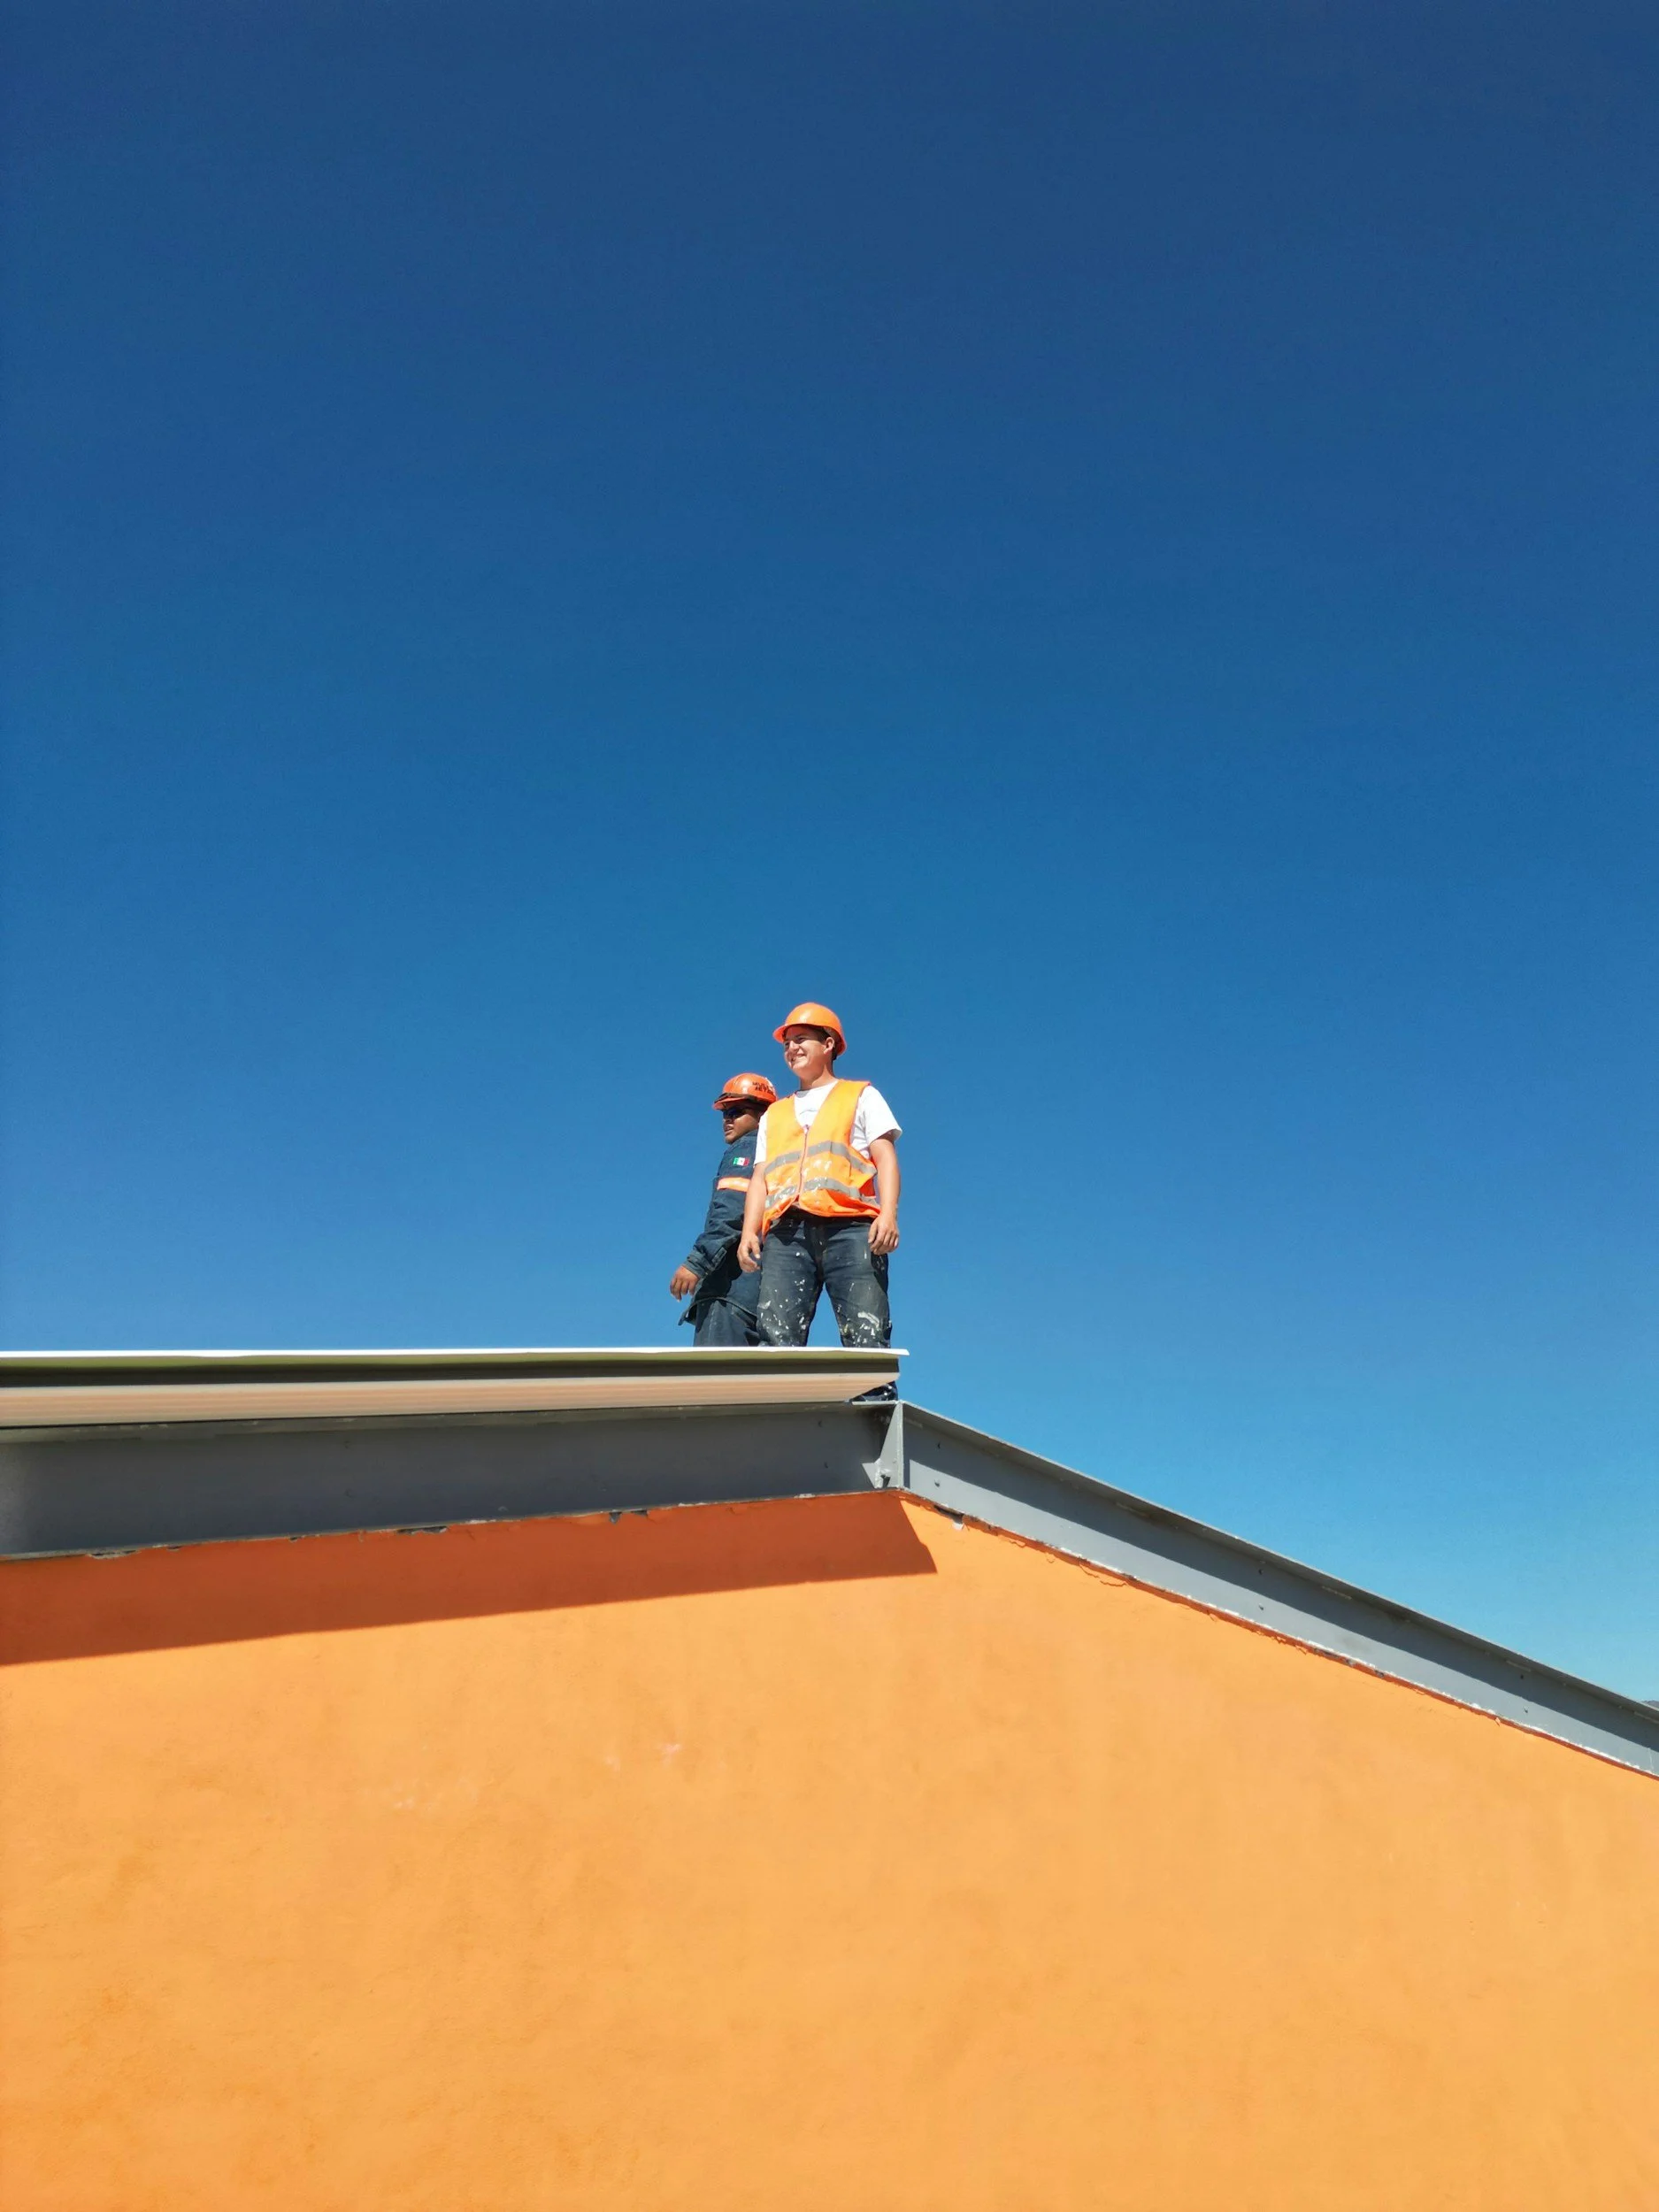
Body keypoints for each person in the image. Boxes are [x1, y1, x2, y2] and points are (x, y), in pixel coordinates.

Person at [737, 1002, 900, 1356]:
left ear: (828, 1045)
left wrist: (888, 1214)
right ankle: (783, 1408)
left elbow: (885, 1156)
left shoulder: (860, 1095)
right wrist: (751, 1230)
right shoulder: (775, 1114)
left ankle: (873, 1408)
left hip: (852, 1230)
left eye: (801, 1039)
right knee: (776, 1338)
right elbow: (761, 1176)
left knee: (866, 1334)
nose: (791, 1048)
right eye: (787, 1043)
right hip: (786, 1234)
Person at [670, 1073, 778, 1346]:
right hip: (759, 1299)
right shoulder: (776, 1157)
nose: (727, 1119)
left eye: (737, 1111)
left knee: (715, 1385)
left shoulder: (747, 1148)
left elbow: (730, 1211)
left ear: (763, 1116)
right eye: (724, 1112)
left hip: (730, 1294)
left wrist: (696, 1263)